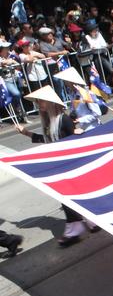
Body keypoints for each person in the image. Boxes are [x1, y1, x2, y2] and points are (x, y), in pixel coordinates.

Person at [15, 85, 100, 246]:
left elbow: (74, 142)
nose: (39, 104)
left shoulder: (64, 119)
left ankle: (80, 225)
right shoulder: (48, 122)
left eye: (41, 101)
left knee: (72, 195)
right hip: (59, 165)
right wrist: (26, 133)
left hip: (71, 165)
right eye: (38, 101)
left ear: (50, 102)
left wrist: (77, 133)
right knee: (69, 197)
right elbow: (48, 141)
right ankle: (87, 222)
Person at [0, 41, 30, 123]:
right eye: (5, 48)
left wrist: (12, 62)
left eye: (7, 47)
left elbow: (19, 66)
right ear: (1, 49)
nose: (7, 49)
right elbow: (2, 63)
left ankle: (21, 115)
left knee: (19, 96)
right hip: (6, 80)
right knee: (16, 94)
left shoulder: (11, 56)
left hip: (16, 79)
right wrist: (5, 62)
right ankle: (17, 111)